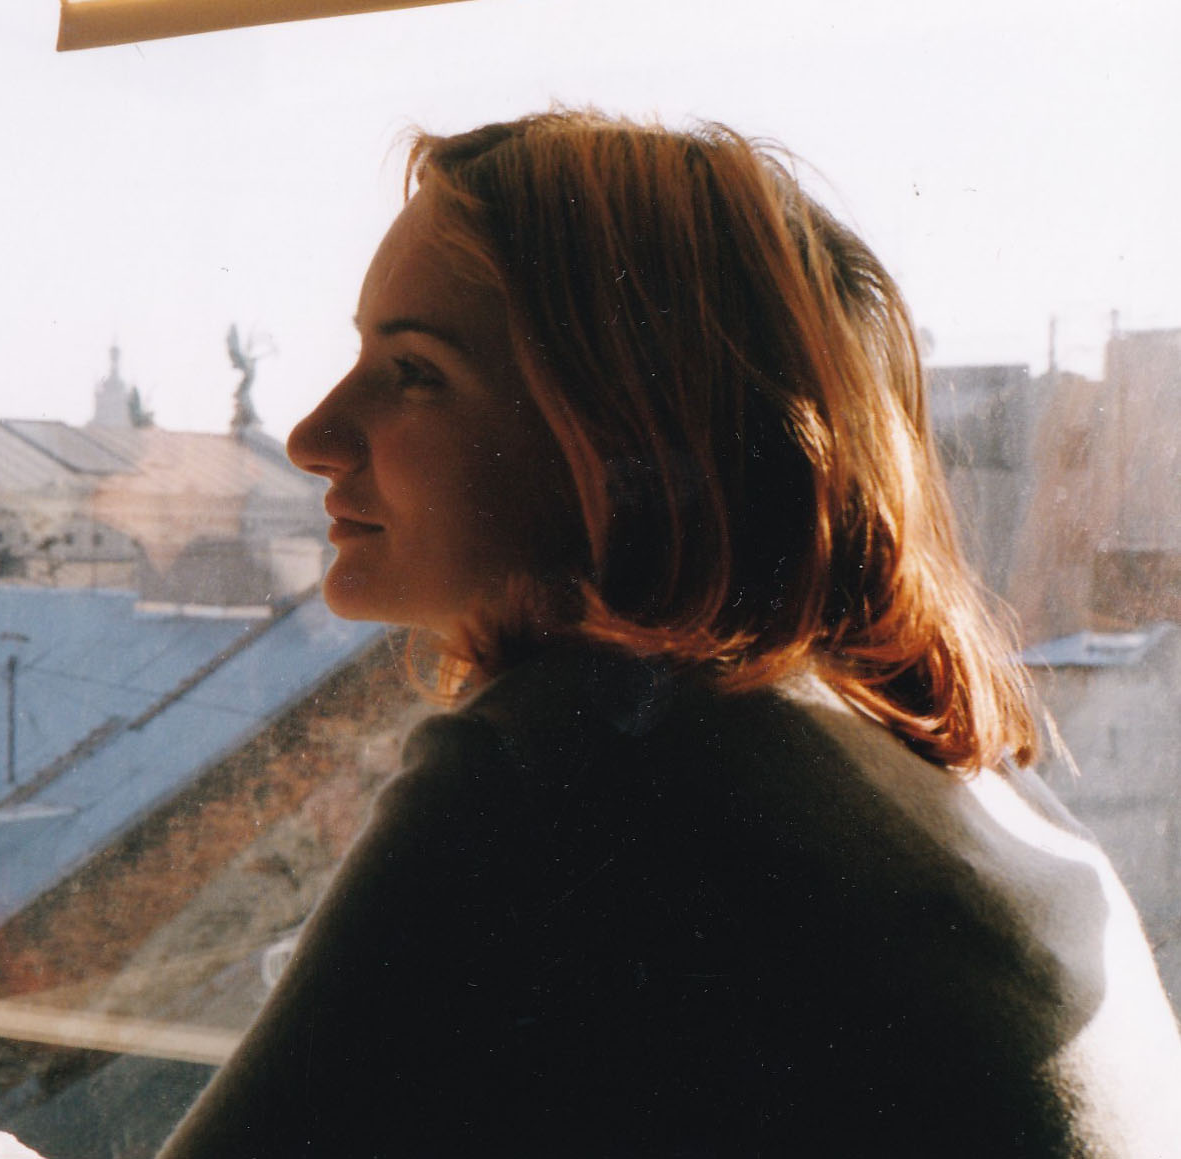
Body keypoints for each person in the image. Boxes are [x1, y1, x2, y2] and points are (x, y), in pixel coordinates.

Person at [157, 110, 1181, 1157]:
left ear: (622, 428)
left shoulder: (574, 752)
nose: (311, 436)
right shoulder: (920, 759)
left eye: (415, 370)